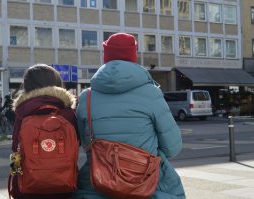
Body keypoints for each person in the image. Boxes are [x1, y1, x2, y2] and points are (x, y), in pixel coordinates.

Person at [74, 33, 185, 199]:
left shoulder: (86, 97)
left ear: (106, 56)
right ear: (134, 56)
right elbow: (172, 147)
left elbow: (86, 144)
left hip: (96, 184)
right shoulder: (151, 93)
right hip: (145, 186)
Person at [10, 63, 78, 199]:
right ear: (57, 82)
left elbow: (15, 149)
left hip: (28, 188)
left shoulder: (23, 111)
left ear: (27, 86)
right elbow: (76, 145)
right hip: (64, 186)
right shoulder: (68, 112)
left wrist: (15, 181)